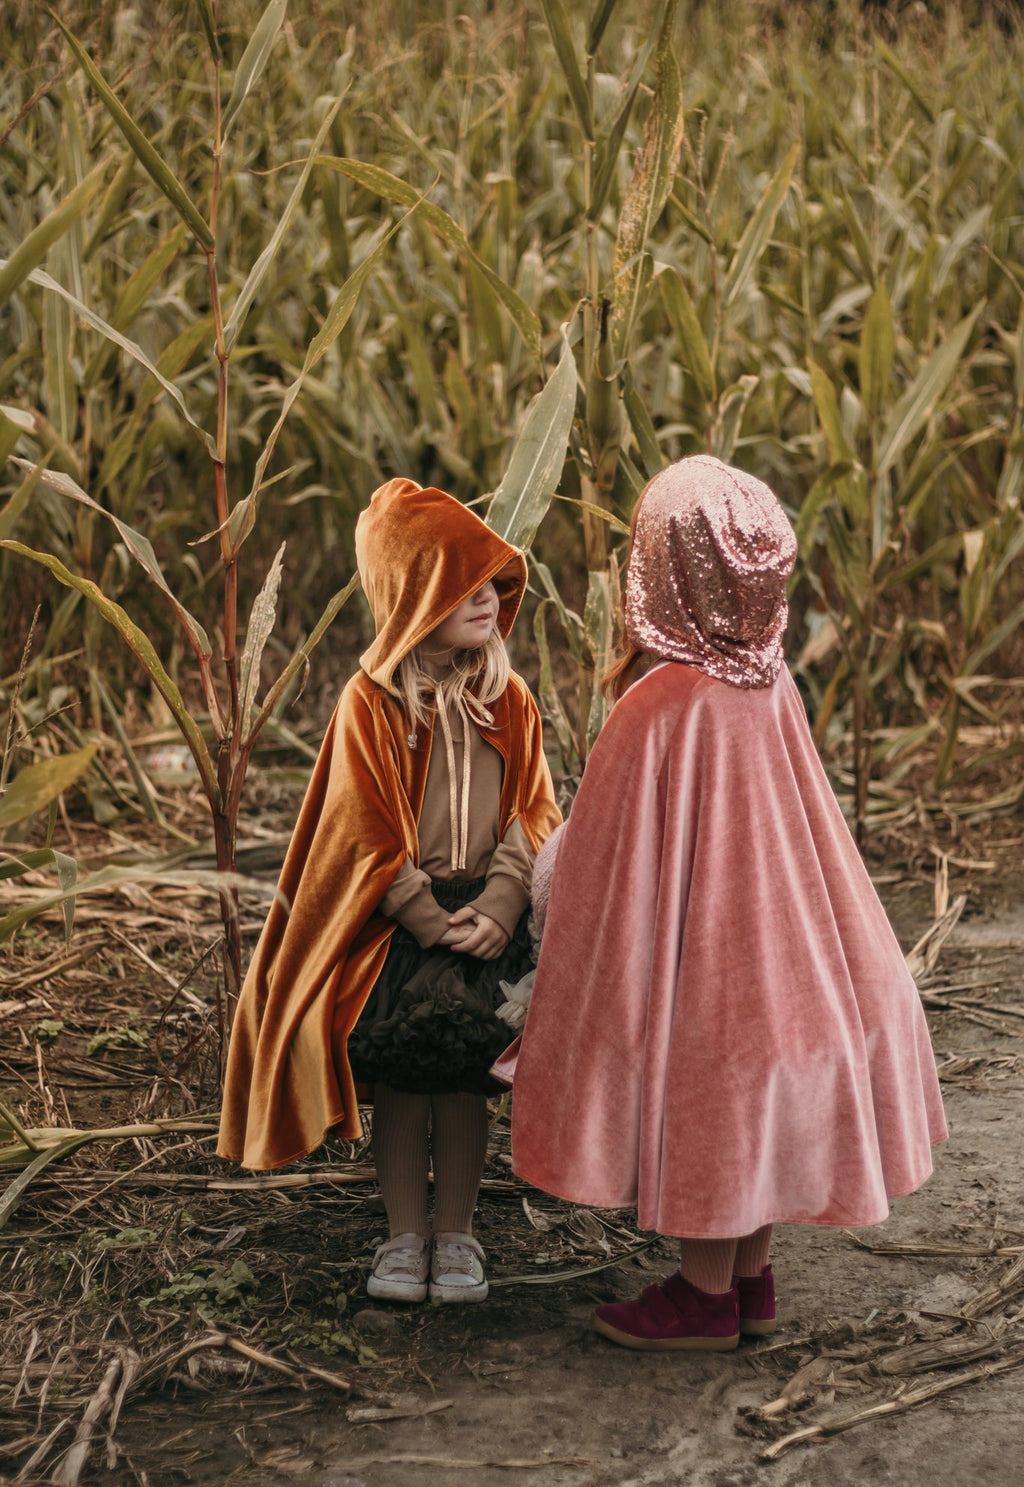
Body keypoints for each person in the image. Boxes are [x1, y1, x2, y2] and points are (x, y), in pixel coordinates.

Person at [510, 454, 947, 1351]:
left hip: (714, 963)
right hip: (791, 952)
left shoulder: (658, 706)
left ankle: (702, 1296)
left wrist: (537, 892)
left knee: (711, 1073)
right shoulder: (769, 679)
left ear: (664, 575)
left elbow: (601, 860)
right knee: (753, 1070)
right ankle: (750, 1278)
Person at [218, 478, 561, 1305]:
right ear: (412, 596)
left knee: (466, 1078)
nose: (486, 600)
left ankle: (460, 1235)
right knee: (409, 1080)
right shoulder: (370, 703)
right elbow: (359, 823)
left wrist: (503, 905)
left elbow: (534, 809)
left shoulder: (507, 700)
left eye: (492, 584)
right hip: (402, 925)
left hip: (485, 917)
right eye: (462, 585)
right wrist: (425, 914)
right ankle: (404, 1235)